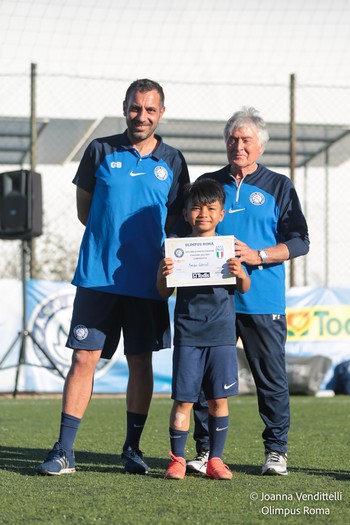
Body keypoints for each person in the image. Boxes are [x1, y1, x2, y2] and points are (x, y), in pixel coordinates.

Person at [36, 78, 190, 476]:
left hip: (147, 283)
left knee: (139, 362)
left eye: (150, 109)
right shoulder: (99, 149)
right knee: (83, 358)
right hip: (98, 277)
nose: (142, 116)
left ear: (161, 112)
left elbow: (177, 225)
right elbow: (85, 210)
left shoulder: (173, 160)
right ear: (125, 107)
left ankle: (132, 449)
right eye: (135, 108)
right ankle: (64, 450)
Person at [187, 106, 310, 477]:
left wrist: (258, 255)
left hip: (262, 300)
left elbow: (300, 241)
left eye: (246, 140)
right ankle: (205, 451)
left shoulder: (278, 186)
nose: (238, 145)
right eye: (232, 139)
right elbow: (184, 229)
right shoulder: (208, 182)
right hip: (212, 301)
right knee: (205, 383)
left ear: (260, 146)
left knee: (270, 378)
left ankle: (276, 451)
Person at [157, 178, 250, 480]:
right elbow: (163, 293)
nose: (203, 214)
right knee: (183, 399)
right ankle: (177, 460)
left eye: (211, 208)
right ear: (185, 214)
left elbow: (245, 287)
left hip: (222, 336)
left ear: (222, 214)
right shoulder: (176, 249)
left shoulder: (229, 248)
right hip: (188, 335)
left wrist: (239, 272)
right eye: (196, 208)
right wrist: (163, 274)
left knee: (217, 400)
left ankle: (216, 460)